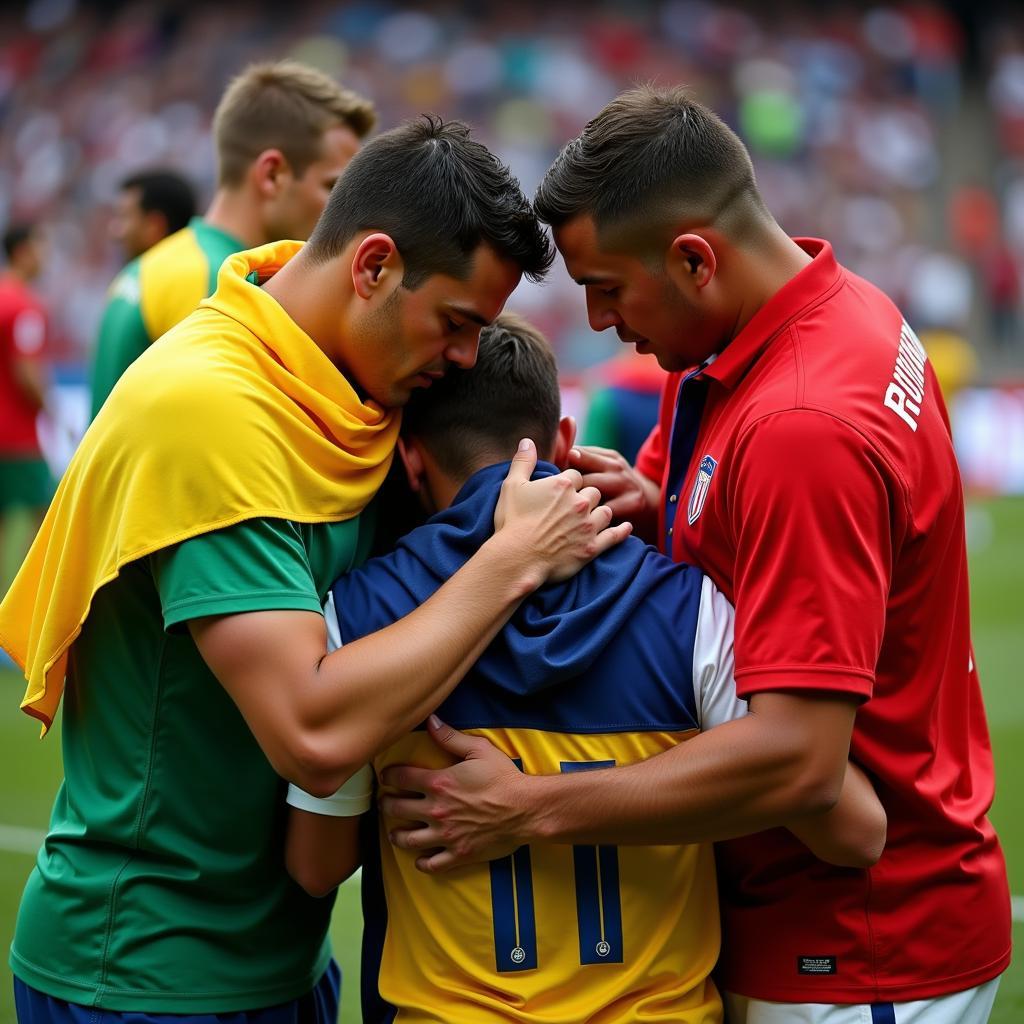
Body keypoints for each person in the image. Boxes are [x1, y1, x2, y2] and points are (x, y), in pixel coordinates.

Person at [377, 87, 1012, 1023]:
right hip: (831, 917)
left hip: (857, 945)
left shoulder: (801, 427)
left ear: (693, 259)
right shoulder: (788, 326)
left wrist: (528, 808)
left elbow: (799, 761)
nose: (596, 322)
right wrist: (664, 511)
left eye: (607, 288)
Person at [0, 117, 628, 1023]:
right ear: (372, 265)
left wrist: (597, 498)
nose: (463, 358)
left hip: (286, 958)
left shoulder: (341, 388)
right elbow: (312, 732)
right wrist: (515, 560)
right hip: (146, 971)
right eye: (454, 323)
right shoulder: (210, 410)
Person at [284, 314, 886, 1024]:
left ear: (410, 459)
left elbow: (315, 867)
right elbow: (850, 828)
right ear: (565, 441)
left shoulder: (359, 617)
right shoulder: (688, 607)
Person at [88, 59, 375, 419]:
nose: (346, 210)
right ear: (272, 175)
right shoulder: (214, 282)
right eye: (332, 186)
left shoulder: (175, 261)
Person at [0, 224, 53, 591]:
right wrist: (50, 407)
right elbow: (26, 370)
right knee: (46, 518)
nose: (44, 256)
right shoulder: (24, 306)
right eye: (40, 246)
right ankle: (29, 605)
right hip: (16, 437)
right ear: (23, 251)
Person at [109, 169, 198, 261]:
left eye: (123, 217)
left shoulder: (146, 274)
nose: (114, 231)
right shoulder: (203, 268)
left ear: (155, 226)